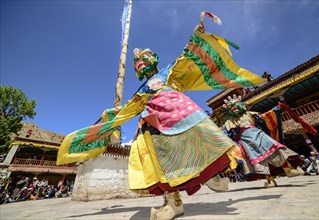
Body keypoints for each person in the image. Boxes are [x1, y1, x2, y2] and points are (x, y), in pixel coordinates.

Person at [57, 12, 267, 220]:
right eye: (137, 63)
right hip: (155, 122)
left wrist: (197, 37)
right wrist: (114, 116)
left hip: (180, 111)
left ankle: (210, 174)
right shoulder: (141, 91)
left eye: (144, 59)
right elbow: (130, 109)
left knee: (200, 138)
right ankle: (172, 201)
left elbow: (188, 56)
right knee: (161, 162)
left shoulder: (170, 70)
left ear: (154, 59)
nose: (140, 63)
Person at [222, 94, 304, 188]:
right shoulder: (229, 121)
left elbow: (265, 117)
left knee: (274, 148)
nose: (234, 107)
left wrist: (276, 109)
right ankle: (270, 180)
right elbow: (225, 132)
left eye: (236, 104)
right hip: (245, 142)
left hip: (258, 134)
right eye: (230, 107)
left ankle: (288, 169)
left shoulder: (250, 113)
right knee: (259, 160)